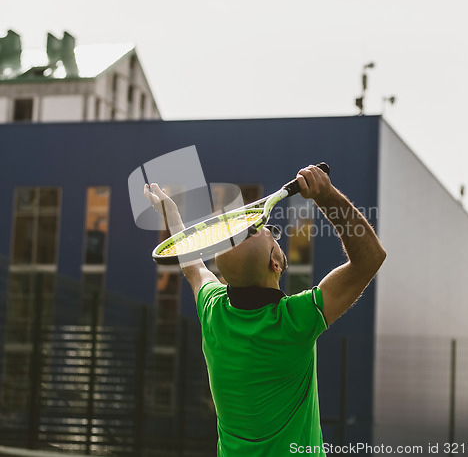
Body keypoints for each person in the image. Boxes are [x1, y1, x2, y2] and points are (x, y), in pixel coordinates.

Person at [145, 164, 386, 456]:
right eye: (270, 233)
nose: (274, 232)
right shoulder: (294, 322)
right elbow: (370, 258)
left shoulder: (213, 311)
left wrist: (172, 215)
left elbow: (192, 265)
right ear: (275, 264)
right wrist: (327, 196)